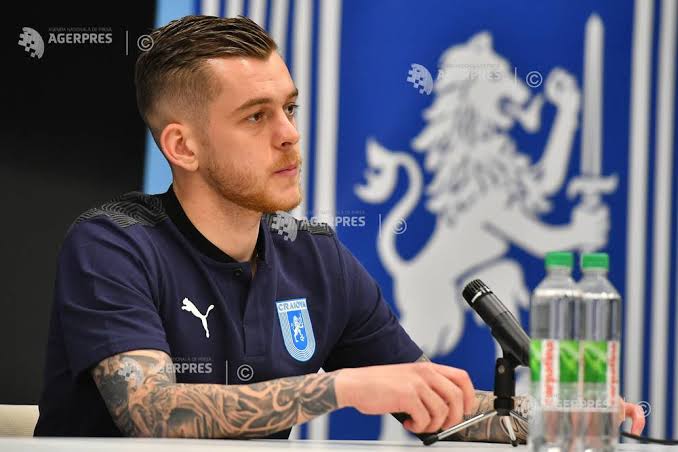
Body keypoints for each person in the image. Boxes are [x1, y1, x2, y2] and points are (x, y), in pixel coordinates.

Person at [33, 15, 645, 441]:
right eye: (256, 117)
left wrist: (566, 416)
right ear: (182, 147)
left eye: (290, 108)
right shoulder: (112, 243)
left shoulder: (315, 256)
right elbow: (152, 413)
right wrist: (343, 389)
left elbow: (436, 406)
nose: (289, 134)